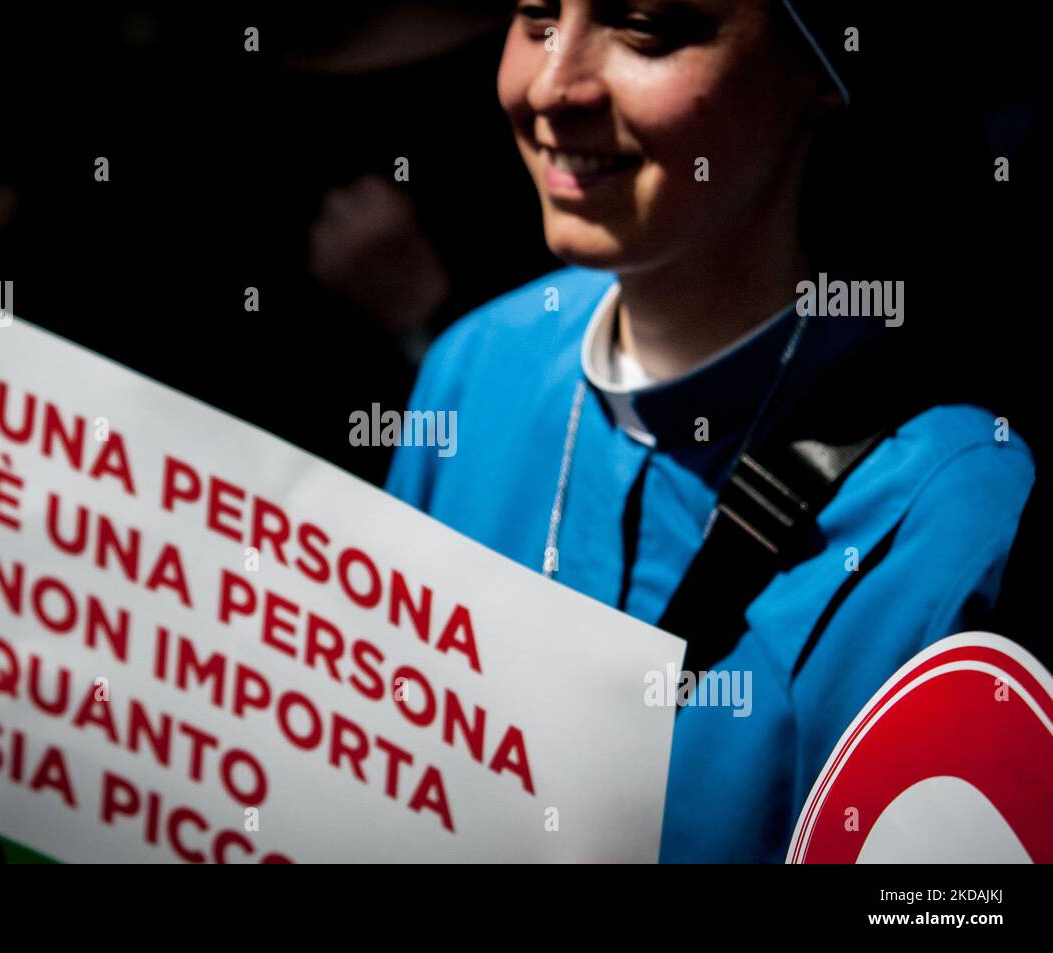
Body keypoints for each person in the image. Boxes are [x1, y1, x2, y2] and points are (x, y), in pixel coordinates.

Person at [385, 0, 1035, 862]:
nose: (552, 83)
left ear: (822, 70)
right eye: (538, 15)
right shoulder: (472, 372)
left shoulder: (953, 517)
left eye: (647, 28)